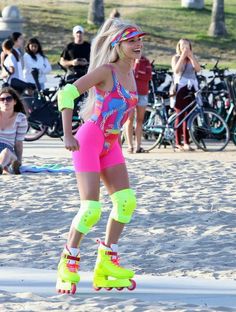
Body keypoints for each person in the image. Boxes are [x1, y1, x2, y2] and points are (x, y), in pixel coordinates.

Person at [56, 18, 146, 294]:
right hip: (90, 139)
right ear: (118, 45)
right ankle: (68, 261)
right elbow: (67, 94)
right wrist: (68, 134)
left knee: (126, 202)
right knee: (91, 209)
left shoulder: (132, 72)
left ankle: (107, 262)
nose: (138, 45)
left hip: (111, 142)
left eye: (140, 40)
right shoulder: (106, 71)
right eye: (132, 41)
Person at [171, 38, 201, 151]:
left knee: (189, 116)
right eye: (182, 46)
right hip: (180, 88)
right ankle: (178, 142)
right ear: (179, 47)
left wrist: (191, 57)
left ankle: (187, 142)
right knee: (180, 115)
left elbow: (198, 70)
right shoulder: (176, 57)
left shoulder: (192, 57)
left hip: (192, 88)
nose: (185, 48)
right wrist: (183, 56)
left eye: (187, 46)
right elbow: (176, 70)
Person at [125, 55, 152, 153]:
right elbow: (132, 74)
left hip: (142, 93)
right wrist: (136, 64)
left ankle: (138, 145)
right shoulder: (128, 60)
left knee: (140, 120)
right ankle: (129, 145)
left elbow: (148, 77)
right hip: (130, 93)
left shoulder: (146, 61)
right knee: (129, 119)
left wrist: (138, 75)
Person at [0, 87, 28, 174]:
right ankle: (7, 167)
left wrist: (19, 160)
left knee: (6, 152)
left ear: (15, 102)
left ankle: (3, 166)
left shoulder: (21, 118)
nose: (5, 101)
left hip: (7, 148)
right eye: (2, 99)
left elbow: (18, 143)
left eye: (9, 99)